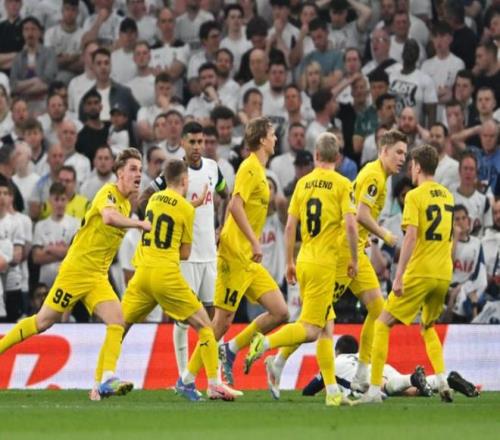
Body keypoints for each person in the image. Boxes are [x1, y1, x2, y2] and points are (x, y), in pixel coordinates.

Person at [0, 148, 151, 400]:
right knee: (42, 322)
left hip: (97, 276)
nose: (138, 174)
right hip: (76, 271)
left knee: (117, 320)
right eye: (133, 169)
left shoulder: (126, 203)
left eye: (141, 170)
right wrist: (139, 224)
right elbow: (108, 217)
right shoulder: (108, 193)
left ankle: (104, 381)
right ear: (119, 173)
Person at [265, 129, 407, 395]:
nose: (402, 158)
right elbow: (360, 215)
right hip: (342, 255)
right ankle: (276, 357)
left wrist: (365, 240)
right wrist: (386, 235)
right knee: (316, 321)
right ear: (384, 151)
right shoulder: (374, 176)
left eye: (404, 154)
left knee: (377, 309)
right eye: (398, 152)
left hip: (355, 251)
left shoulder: (377, 176)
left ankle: (361, 371)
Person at [244, 132, 358, 407]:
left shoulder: (303, 183)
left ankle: (332, 392)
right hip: (324, 264)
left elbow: (289, 226)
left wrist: (289, 262)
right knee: (311, 329)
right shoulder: (343, 184)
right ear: (337, 157)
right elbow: (351, 225)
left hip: (304, 259)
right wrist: (354, 259)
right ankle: (265, 344)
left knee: (326, 327)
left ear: (316, 156)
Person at [182, 117, 289, 389]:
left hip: (247, 258)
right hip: (234, 253)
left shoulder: (260, 170)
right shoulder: (250, 168)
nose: (276, 139)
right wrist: (255, 242)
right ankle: (187, 379)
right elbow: (235, 206)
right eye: (272, 134)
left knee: (281, 312)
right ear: (262, 139)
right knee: (221, 322)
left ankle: (229, 350)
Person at [120, 159, 233, 401]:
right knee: (205, 326)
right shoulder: (187, 210)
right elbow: (185, 253)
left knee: (119, 326)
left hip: (142, 274)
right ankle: (211, 383)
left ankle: (101, 378)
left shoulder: (153, 200)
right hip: (166, 276)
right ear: (185, 180)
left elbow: (168, 211)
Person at [360, 144, 455, 404]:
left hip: (421, 271)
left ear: (418, 167)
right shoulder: (448, 196)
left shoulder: (414, 196)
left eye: (411, 165)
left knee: (382, 323)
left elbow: (411, 236)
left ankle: (373, 390)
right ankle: (443, 380)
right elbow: (450, 237)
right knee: (428, 326)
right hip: (443, 272)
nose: (410, 169)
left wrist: (399, 275)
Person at [139, 122, 230, 387]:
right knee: (182, 319)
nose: (198, 147)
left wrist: (222, 227)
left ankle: (217, 378)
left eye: (201, 142)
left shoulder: (213, 168)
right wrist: (160, 222)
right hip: (185, 257)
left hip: (210, 255)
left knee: (215, 319)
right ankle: (183, 378)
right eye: (193, 142)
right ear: (182, 143)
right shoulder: (175, 172)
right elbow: (145, 199)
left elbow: (227, 195)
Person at [302, 335, 479, 399]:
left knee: (388, 387)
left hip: (366, 377)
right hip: (378, 367)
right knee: (411, 392)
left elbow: (308, 391)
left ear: (337, 351)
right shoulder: (359, 356)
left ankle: (412, 378)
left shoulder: (333, 364)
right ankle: (446, 380)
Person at [32, 182, 80, 288]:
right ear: (50, 200)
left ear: (67, 200)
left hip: (69, 281)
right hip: (46, 283)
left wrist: (49, 249)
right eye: (56, 199)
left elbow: (76, 254)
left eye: (63, 199)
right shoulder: (40, 226)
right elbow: (36, 257)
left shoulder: (76, 224)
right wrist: (64, 252)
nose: (60, 204)